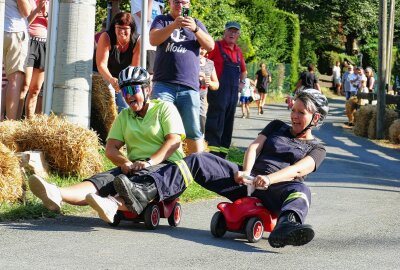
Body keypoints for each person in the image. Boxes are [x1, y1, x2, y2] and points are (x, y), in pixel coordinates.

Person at [101, 88, 329, 248]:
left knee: (302, 192)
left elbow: (299, 170)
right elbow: (254, 147)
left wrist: (269, 180)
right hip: (248, 181)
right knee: (199, 159)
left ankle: (287, 227)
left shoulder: (317, 148)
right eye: (294, 110)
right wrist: (246, 172)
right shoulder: (277, 126)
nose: (294, 116)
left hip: (278, 190)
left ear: (315, 118)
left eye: (301, 113)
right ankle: (145, 191)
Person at [28, 66, 186, 224]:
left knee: (139, 179)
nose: (129, 95)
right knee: (103, 180)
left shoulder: (164, 109)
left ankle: (112, 203)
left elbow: (173, 141)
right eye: (124, 91)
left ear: (147, 89)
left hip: (168, 167)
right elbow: (110, 148)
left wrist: (149, 162)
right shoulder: (125, 116)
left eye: (133, 89)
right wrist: (124, 162)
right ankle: (56, 193)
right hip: (136, 166)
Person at [149, 0, 214, 154]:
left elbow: (210, 46)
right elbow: (153, 40)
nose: (180, 5)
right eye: (177, 2)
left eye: (184, 2)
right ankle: (157, 167)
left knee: (193, 131)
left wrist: (196, 29)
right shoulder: (161, 20)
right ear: (170, 3)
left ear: (189, 5)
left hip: (189, 86)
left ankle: (197, 169)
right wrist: (173, 26)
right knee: (158, 127)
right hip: (164, 83)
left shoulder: (196, 23)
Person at [206, 21, 247, 158]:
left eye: (235, 32)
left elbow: (243, 71)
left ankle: (223, 156)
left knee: (228, 123)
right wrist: (206, 80)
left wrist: (242, 82)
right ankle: (212, 154)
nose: (232, 34)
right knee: (215, 122)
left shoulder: (238, 51)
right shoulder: (216, 46)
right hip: (218, 91)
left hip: (233, 93)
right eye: (230, 31)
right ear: (224, 32)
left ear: (238, 35)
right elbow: (206, 63)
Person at [96, 12, 141, 113]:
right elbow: (101, 64)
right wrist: (111, 80)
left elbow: (134, 69)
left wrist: (123, 84)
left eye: (125, 29)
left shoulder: (138, 40)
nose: (122, 31)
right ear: (114, 27)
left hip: (126, 78)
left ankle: (129, 120)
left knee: (128, 99)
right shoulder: (106, 37)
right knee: (108, 99)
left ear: (131, 29)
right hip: (105, 76)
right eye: (119, 28)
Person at [3, 0, 32, 120]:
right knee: (15, 80)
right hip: (14, 30)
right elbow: (26, 11)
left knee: (6, 82)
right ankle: (10, 124)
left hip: (3, 30)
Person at [22, 0, 49, 119]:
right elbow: (24, 22)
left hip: (43, 45)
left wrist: (45, 13)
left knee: (36, 88)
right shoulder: (29, 1)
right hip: (28, 41)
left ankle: (29, 122)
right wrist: (38, 9)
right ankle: (15, 119)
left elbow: (53, 27)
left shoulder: (50, 3)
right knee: (25, 85)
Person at [131, 0, 164, 77]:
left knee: (153, 74)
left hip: (154, 45)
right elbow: (146, 18)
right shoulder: (136, 1)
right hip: (143, 43)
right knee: (144, 74)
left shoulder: (157, 2)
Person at [199, 47, 218, 133]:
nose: (202, 51)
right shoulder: (188, 60)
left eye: (204, 48)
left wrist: (209, 82)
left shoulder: (210, 63)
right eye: (200, 47)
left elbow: (216, 85)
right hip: (186, 99)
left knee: (200, 130)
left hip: (202, 102)